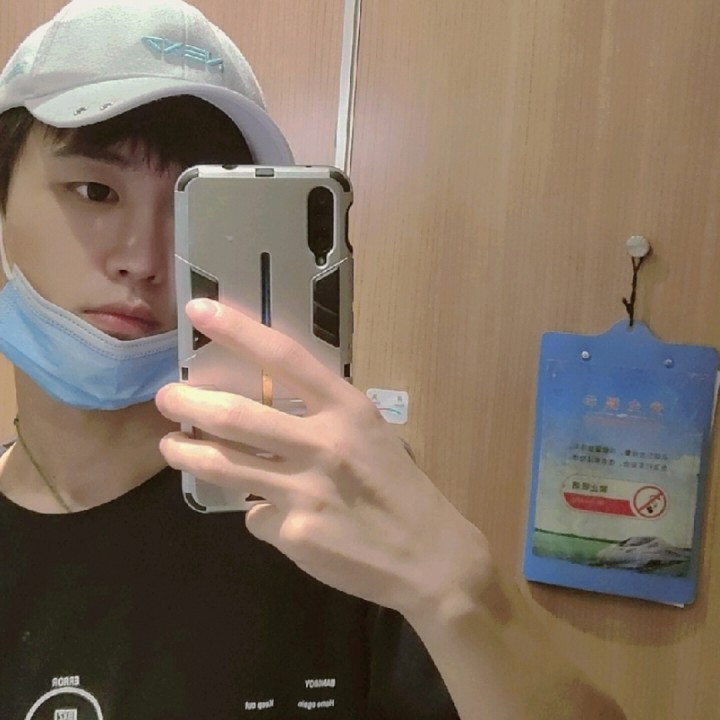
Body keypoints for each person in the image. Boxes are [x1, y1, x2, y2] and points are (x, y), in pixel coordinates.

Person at [0, 1, 627, 718]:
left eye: (189, 209)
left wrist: (464, 596)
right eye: (95, 191)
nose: (144, 258)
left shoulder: (332, 508)